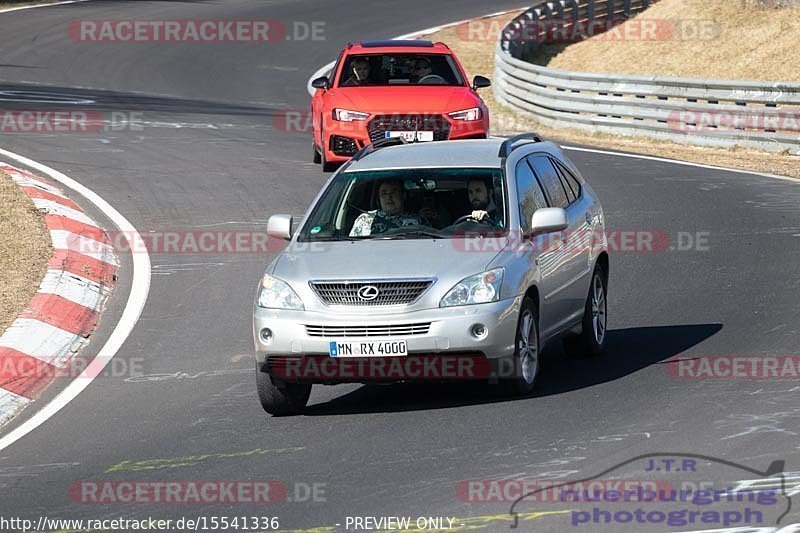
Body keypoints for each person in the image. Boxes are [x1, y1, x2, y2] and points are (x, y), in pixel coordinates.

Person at [350, 180, 426, 236]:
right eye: (384, 193)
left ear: (403, 196)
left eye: (393, 192)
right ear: (379, 198)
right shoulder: (364, 219)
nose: (388, 197)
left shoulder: (417, 220)